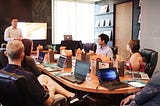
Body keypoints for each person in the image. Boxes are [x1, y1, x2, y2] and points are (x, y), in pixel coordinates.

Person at [4, 40, 76, 105]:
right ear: (22, 54)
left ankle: (71, 95)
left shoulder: (2, 73)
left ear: (6, 53)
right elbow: (48, 102)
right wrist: (51, 90)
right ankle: (74, 98)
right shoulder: (28, 76)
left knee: (43, 77)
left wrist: (39, 86)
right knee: (61, 96)